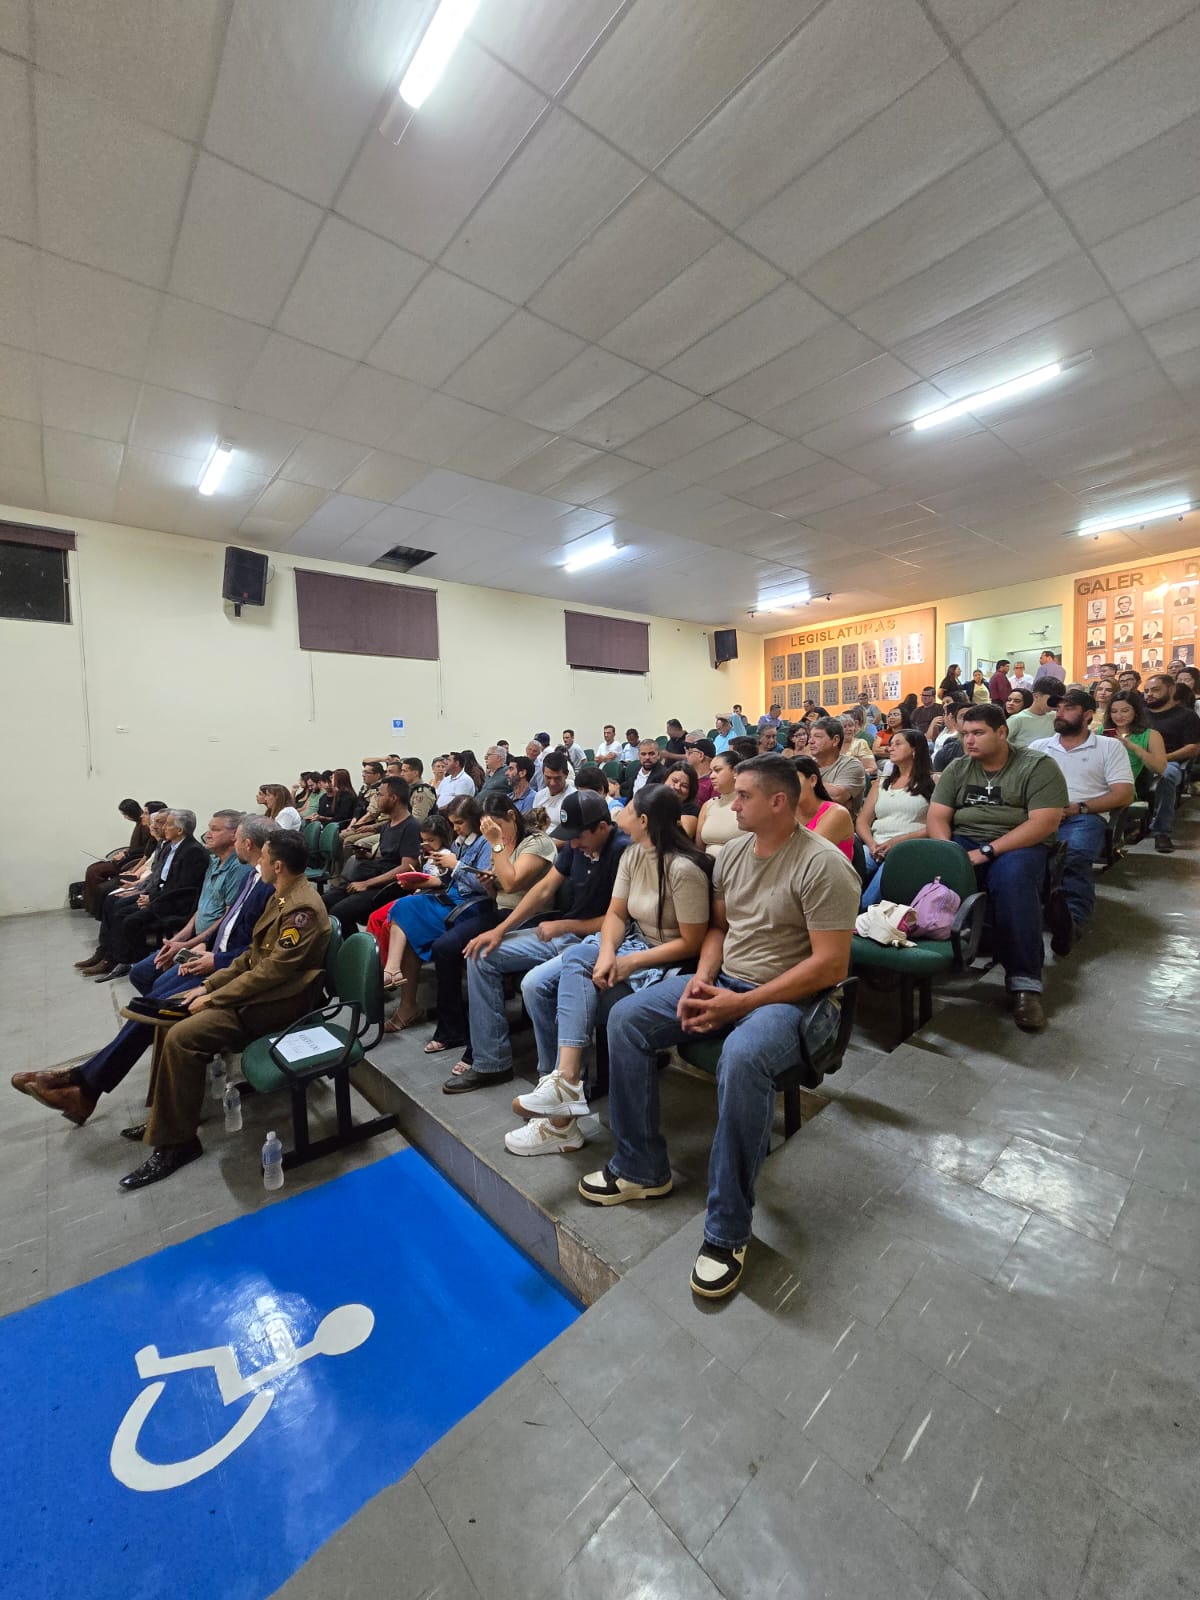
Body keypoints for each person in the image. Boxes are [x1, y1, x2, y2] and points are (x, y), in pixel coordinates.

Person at [580, 755, 858, 1299]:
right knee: (627, 1018)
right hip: (727, 980)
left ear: (778, 801)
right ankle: (640, 1167)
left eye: (743, 796)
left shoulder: (821, 864)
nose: (731, 804)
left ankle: (727, 1230)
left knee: (743, 1058)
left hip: (793, 1000)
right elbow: (719, 929)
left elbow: (830, 965)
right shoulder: (730, 854)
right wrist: (702, 981)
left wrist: (741, 1003)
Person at [15, 818, 278, 1126]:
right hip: (212, 954)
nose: (213, 835)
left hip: (227, 970)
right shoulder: (254, 875)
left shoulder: (268, 884)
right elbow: (229, 921)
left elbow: (260, 952)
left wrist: (214, 960)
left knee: (153, 1008)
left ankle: (84, 1084)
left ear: (247, 843)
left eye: (224, 833)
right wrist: (197, 944)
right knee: (147, 995)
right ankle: (84, 1082)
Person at [115, 830, 331, 1191]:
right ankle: (165, 1119)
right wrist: (208, 986)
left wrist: (214, 999)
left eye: (264, 859)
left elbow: (271, 972)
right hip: (258, 993)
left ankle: (178, 1144)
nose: (258, 864)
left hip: (278, 1004)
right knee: (167, 1018)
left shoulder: (301, 909)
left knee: (182, 1035)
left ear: (278, 866)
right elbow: (250, 957)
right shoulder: (281, 897)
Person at [505, 785, 712, 1157]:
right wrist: (606, 954)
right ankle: (565, 1084)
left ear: (643, 820)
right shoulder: (633, 855)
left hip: (665, 963)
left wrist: (628, 962)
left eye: (628, 808)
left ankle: (562, 1110)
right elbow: (616, 914)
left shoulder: (683, 868)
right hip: (633, 945)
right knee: (575, 961)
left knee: (568, 992)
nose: (620, 814)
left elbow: (691, 943)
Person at [448, 793, 628, 1094]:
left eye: (579, 836)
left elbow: (620, 919)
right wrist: (500, 931)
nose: (572, 844)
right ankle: (492, 1062)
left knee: (535, 985)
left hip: (598, 941)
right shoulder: (576, 846)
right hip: (564, 934)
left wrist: (565, 926)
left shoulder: (622, 851)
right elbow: (544, 890)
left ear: (601, 827)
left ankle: (558, 1078)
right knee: (481, 954)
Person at [928, 704, 1068, 1031]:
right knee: (930, 871)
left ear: (1002, 732)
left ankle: (1024, 985)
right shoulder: (958, 768)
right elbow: (937, 816)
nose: (969, 740)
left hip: (1019, 842)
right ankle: (923, 959)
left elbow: (1045, 823)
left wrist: (987, 851)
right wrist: (949, 853)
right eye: (965, 734)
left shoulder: (1037, 766)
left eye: (978, 733)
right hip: (965, 838)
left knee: (1012, 880)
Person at [1030, 689, 1133, 951]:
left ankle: (1072, 922)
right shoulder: (1038, 748)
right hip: (1040, 814)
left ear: (1088, 715)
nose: (1060, 713)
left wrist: (1080, 808)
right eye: (1057, 708)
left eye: (1068, 708)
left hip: (1084, 816)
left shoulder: (1108, 747)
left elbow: (1124, 794)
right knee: (1013, 853)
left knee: (1072, 854)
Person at [379, 795, 493, 1029]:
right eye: (453, 823)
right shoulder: (460, 842)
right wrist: (427, 877)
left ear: (474, 819)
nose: (456, 828)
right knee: (405, 911)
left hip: (471, 906)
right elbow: (449, 880)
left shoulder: (485, 844)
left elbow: (483, 885)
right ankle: (404, 999)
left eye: (460, 823)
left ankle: (393, 972)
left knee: (405, 909)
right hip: (451, 897)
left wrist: (455, 865)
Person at [90, 809, 212, 981]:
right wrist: (146, 893)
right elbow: (160, 877)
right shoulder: (170, 846)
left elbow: (183, 887)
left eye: (168, 824)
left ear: (179, 830)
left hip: (176, 903)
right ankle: (107, 953)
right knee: (114, 904)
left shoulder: (193, 851)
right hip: (161, 895)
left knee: (128, 918)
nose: (163, 828)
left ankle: (129, 961)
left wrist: (152, 899)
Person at [324, 778, 422, 933]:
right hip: (377, 876)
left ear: (393, 798)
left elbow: (406, 867)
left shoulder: (411, 827)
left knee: (340, 912)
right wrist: (367, 856)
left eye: (380, 795)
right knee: (326, 901)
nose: (377, 799)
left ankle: (358, 946)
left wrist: (367, 883)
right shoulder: (388, 826)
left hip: (390, 887)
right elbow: (387, 858)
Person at [857, 731, 934, 903]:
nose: (890, 748)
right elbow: (862, 821)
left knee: (868, 900)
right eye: (890, 744)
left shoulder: (933, 782)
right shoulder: (881, 783)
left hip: (908, 849)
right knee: (842, 871)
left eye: (897, 744)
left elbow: (936, 826)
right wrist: (872, 844)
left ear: (914, 749)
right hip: (875, 846)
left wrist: (897, 842)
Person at [1143, 673, 1200, 853]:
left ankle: (1161, 831)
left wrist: (1161, 758)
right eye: (1146, 691)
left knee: (1165, 776)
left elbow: (1192, 748)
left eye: (1155, 690)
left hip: (1170, 761)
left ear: (1171, 689)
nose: (1149, 694)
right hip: (1136, 759)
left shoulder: (1187, 716)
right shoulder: (1139, 714)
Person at [81, 799, 151, 916]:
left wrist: (126, 855)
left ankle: (95, 906)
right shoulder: (140, 824)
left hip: (132, 860)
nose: (143, 815)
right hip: (130, 857)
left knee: (94, 871)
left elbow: (146, 850)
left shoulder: (145, 827)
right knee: (93, 868)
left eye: (146, 813)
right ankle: (93, 906)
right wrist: (126, 851)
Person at [1106, 690, 1168, 801]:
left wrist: (1134, 747)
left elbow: (1160, 769)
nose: (1118, 716)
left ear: (1136, 711)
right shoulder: (1103, 731)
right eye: (1114, 711)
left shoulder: (1151, 735)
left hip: (1123, 787)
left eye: (1125, 711)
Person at [793, 756, 854, 858]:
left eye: (794, 780)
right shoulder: (787, 812)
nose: (789, 787)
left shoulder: (837, 813)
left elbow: (806, 855)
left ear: (813, 780)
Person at [807, 717, 867, 817]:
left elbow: (837, 796)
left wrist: (804, 781)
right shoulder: (808, 765)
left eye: (817, 736)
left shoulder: (851, 765)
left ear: (835, 740)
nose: (810, 741)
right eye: (810, 736)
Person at [696, 751, 740, 858]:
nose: (711, 776)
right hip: (709, 865)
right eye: (711, 771)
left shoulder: (750, 804)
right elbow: (699, 848)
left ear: (735, 771)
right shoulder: (708, 805)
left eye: (717, 770)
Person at [1006, 675, 1063, 750]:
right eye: (1052, 700)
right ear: (1036, 696)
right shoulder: (1018, 720)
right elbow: (999, 743)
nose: (1055, 704)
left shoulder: (1056, 717)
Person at [532, 749, 576, 827]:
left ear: (566, 775)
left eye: (557, 778)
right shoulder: (539, 796)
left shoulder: (573, 799)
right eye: (548, 778)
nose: (552, 783)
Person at [663, 763, 701, 837]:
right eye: (674, 781)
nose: (677, 787)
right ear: (665, 779)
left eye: (684, 786)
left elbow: (682, 837)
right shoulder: (652, 800)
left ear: (690, 791)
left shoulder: (692, 810)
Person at [685, 737, 717, 804]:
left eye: (690, 753)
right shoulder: (687, 777)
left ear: (701, 755)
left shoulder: (714, 782)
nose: (686, 756)